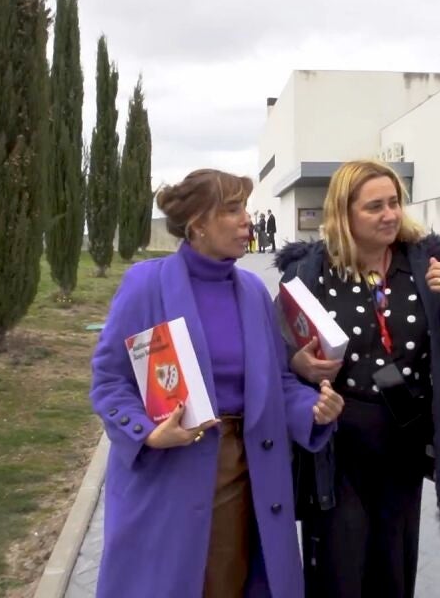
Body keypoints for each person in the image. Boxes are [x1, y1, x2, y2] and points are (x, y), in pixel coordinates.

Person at [90, 168, 345, 598]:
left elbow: (278, 380)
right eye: (232, 210)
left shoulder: (253, 291)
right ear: (198, 224)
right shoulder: (146, 284)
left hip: (246, 472)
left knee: (234, 580)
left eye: (245, 208)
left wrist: (312, 409)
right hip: (169, 473)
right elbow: (110, 379)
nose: (247, 220)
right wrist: (147, 431)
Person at [275, 159, 440, 598]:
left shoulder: (424, 263)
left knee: (394, 558)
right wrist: (300, 364)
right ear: (344, 213)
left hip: (405, 432)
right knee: (339, 559)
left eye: (394, 203)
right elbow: (281, 349)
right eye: (374, 207)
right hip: (337, 436)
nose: (390, 214)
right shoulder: (309, 271)